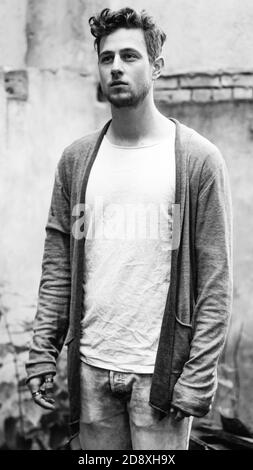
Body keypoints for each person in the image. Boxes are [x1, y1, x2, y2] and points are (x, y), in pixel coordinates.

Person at [26, 7, 233, 450]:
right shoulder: (77, 161)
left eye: (130, 56)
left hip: (161, 381)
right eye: (107, 58)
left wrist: (196, 377)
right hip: (91, 372)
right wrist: (43, 350)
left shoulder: (197, 161)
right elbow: (58, 263)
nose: (116, 67)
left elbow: (216, 280)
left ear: (156, 66)